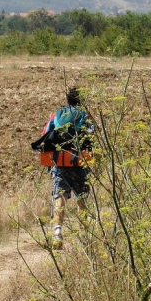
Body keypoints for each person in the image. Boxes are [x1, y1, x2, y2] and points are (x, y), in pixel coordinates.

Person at [37, 87, 92, 249]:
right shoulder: (84, 116)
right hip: (80, 162)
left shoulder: (57, 115)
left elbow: (45, 134)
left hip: (61, 160)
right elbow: (92, 138)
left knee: (59, 196)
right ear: (82, 101)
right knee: (81, 197)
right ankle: (85, 235)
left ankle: (57, 233)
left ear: (67, 100)